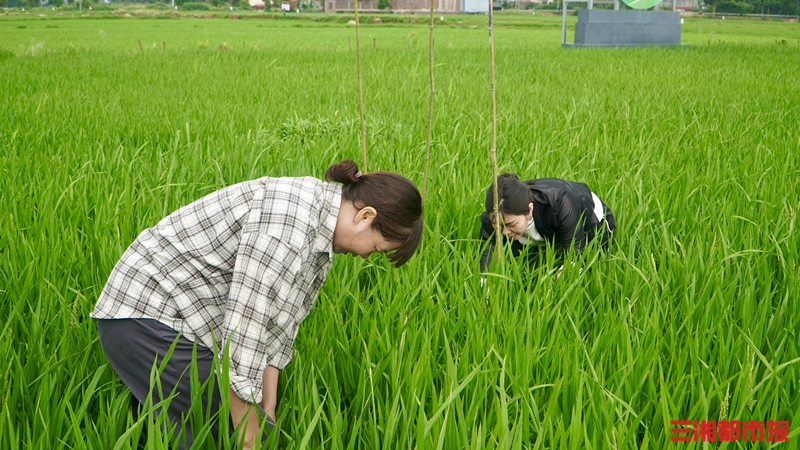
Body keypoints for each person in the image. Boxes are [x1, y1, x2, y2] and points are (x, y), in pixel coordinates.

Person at [91, 159, 423, 449]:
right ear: (365, 216)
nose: (365, 256)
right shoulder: (289, 222)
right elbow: (244, 329)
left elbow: (278, 327)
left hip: (178, 322)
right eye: (376, 248)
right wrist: (250, 431)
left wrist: (267, 408)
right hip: (148, 317)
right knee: (219, 431)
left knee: (233, 427)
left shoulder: (318, 235)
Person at [479, 173, 615, 273]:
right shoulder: (494, 218)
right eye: (498, 225)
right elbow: (485, 266)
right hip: (545, 224)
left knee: (593, 264)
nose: (504, 232)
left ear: (529, 209)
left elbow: (576, 259)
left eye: (511, 224)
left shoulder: (561, 205)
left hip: (591, 218)